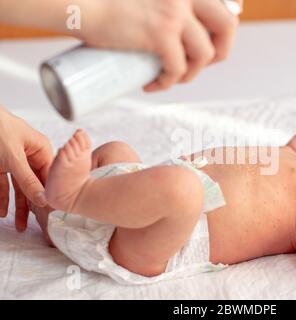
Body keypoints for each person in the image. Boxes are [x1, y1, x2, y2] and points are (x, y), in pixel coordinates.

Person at [30, 122, 296, 284]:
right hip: (132, 199)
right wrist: (289, 149)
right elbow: (262, 177)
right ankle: (51, 208)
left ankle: (77, 195)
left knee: (183, 189)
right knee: (119, 150)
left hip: (161, 240)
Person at [0, 0, 242, 231]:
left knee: (182, 189)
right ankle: (68, 202)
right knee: (120, 154)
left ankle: (71, 201)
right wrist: (101, 10)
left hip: (166, 230)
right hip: (157, 217)